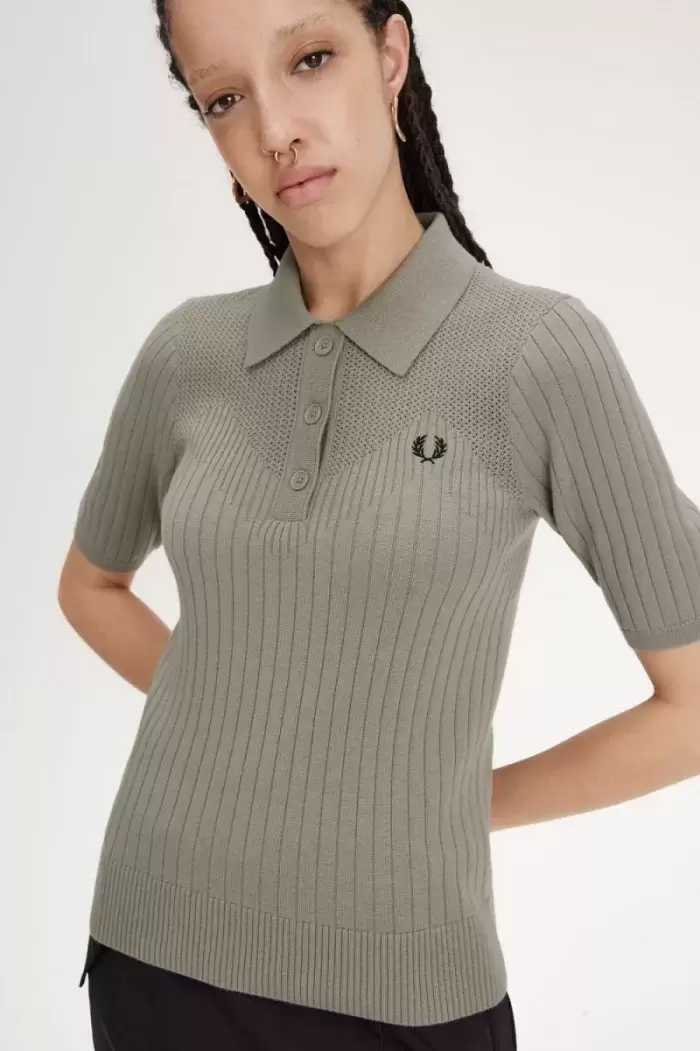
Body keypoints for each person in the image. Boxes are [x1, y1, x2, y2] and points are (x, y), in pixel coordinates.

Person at [58, 0, 700, 1048]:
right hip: (153, 947)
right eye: (224, 99)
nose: (274, 130)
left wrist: (457, 798)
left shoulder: (535, 353)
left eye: (310, 58)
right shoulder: (187, 354)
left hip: (409, 993)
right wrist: (258, 722)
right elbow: (89, 587)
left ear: (391, 53)